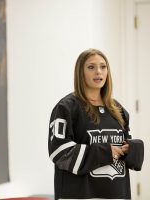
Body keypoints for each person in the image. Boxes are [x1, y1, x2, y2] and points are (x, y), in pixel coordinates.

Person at [48, 48, 144, 199]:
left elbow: (126, 146)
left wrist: (132, 148)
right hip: (79, 194)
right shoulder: (66, 108)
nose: (98, 72)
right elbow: (59, 151)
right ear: (81, 72)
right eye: (91, 67)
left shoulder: (118, 110)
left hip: (116, 193)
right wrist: (105, 152)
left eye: (103, 67)